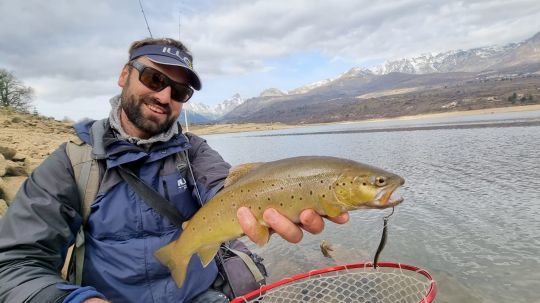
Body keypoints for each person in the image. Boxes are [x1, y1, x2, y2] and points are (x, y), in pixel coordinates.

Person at [0, 37, 349, 303]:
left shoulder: (195, 153)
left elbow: (225, 191)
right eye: (154, 78)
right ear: (124, 75)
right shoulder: (71, 164)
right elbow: (13, 263)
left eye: (179, 90)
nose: (165, 96)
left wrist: (275, 205)